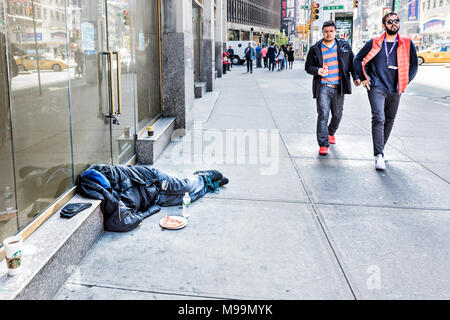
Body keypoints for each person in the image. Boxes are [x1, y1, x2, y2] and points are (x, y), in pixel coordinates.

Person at [354, 12, 418, 170]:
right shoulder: (375, 42)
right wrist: (362, 77)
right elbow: (357, 59)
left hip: (396, 87)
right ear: (384, 25)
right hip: (376, 86)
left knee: (389, 119)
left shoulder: (407, 43)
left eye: (396, 21)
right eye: (390, 21)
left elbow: (414, 65)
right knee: (378, 117)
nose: (394, 24)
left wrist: (406, 80)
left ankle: (380, 149)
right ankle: (379, 155)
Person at [305, 20, 357, 156]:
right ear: (322, 32)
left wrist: (357, 77)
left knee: (338, 114)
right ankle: (323, 143)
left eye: (331, 31)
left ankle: (331, 132)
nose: (328, 34)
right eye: (326, 31)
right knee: (323, 114)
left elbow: (352, 63)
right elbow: (308, 67)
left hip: (339, 86)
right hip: (323, 86)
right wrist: (317, 70)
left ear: (335, 32)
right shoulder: (315, 48)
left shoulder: (344, 46)